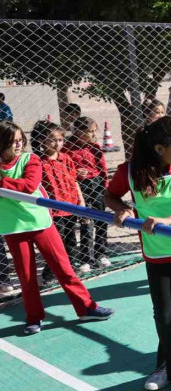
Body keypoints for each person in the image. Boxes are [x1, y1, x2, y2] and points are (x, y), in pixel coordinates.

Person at [105, 117, 171, 391]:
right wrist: (123, 209)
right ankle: (170, 364)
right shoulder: (130, 171)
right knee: (163, 313)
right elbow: (110, 196)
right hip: (156, 252)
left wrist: (169, 221)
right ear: (158, 148)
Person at [0, 121, 114, 335]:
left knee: (63, 268)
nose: (17, 145)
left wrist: (2, 184)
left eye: (20, 140)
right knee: (26, 276)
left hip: (40, 222)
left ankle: (86, 307)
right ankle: (34, 317)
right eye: (11, 142)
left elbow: (29, 185)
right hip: (13, 227)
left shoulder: (30, 159)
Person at [31, 120, 90, 280]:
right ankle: (49, 274)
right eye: (53, 139)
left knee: (71, 242)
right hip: (53, 211)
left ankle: (69, 270)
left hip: (70, 206)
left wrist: (81, 201)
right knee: (56, 244)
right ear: (42, 140)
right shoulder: (38, 161)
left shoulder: (66, 158)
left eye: (60, 140)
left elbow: (74, 181)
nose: (57, 143)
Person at [64, 116, 111, 271]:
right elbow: (65, 170)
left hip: (97, 185)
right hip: (81, 188)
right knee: (86, 222)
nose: (93, 135)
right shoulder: (67, 149)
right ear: (79, 132)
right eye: (90, 132)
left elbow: (103, 168)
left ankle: (101, 253)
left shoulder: (95, 147)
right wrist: (76, 172)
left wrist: (105, 187)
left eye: (94, 131)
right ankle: (86, 258)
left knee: (102, 221)